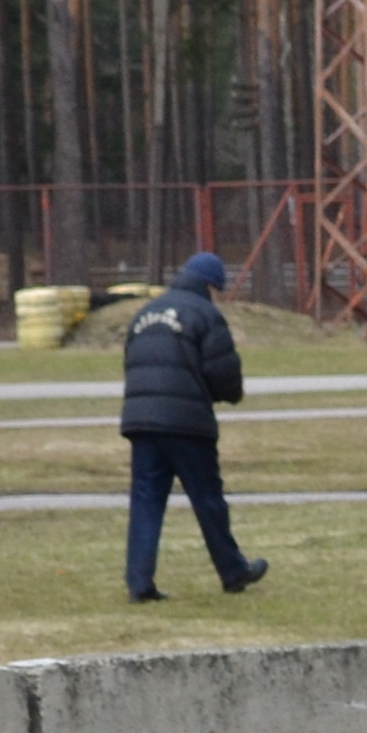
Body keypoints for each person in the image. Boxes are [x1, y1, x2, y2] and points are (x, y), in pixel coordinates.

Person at [118, 252, 269, 601]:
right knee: (207, 498)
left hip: (141, 420)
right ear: (210, 286)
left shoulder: (144, 313)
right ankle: (233, 571)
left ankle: (139, 583)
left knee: (146, 499)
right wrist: (229, 394)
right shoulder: (204, 314)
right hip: (186, 423)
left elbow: (132, 364)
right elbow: (222, 371)